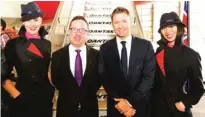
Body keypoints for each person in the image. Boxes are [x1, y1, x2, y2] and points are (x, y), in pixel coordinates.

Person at [99, 7, 156, 117]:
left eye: (124, 21)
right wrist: (120, 103)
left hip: (139, 108)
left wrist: (129, 102)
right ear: (112, 24)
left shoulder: (145, 46)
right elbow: (104, 77)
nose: (120, 26)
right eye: (116, 22)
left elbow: (149, 77)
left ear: (131, 22)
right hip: (116, 108)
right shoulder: (105, 48)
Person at [2, 2, 54, 117]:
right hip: (22, 98)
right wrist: (17, 95)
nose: (32, 24)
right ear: (23, 22)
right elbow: (3, 74)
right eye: (28, 20)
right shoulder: (13, 44)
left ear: (41, 21)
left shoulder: (47, 44)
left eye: (36, 20)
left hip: (44, 99)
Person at [151, 11, 205, 117]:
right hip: (156, 110)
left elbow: (198, 88)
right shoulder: (158, 51)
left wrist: (185, 103)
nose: (168, 31)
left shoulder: (191, 55)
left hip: (177, 110)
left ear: (179, 27)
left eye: (171, 26)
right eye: (164, 28)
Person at [51, 16, 101, 117]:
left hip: (89, 110)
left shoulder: (97, 56)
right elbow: (56, 80)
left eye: (82, 30)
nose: (77, 33)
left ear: (87, 33)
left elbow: (98, 81)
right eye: (74, 29)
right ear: (69, 31)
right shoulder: (57, 55)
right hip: (65, 110)